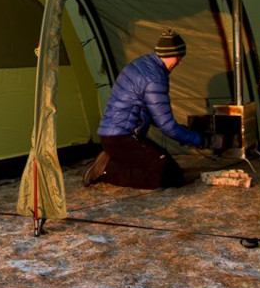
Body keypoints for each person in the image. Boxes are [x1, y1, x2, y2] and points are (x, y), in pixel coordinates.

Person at [83, 29, 224, 189]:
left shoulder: (142, 64)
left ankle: (114, 159)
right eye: (179, 57)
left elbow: (154, 116)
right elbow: (167, 127)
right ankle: (107, 170)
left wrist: (185, 132)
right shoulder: (155, 77)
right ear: (171, 54)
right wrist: (204, 141)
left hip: (115, 136)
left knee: (165, 164)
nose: (180, 62)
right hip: (122, 138)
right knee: (170, 177)